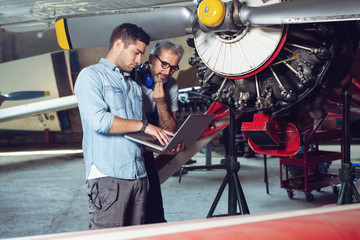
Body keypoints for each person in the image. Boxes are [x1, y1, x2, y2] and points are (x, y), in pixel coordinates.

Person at [74, 23, 174, 230]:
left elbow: (133, 133)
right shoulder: (91, 76)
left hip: (138, 175)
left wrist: (161, 141)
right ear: (119, 44)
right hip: (109, 177)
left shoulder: (132, 85)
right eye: (136, 53)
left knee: (136, 235)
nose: (139, 60)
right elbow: (99, 121)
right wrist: (146, 126)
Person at [132, 40, 184, 223]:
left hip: (147, 155)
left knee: (155, 215)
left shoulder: (171, 85)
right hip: (128, 153)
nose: (167, 72)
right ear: (152, 58)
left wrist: (161, 102)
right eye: (164, 65)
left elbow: (170, 130)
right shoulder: (131, 79)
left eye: (173, 68)